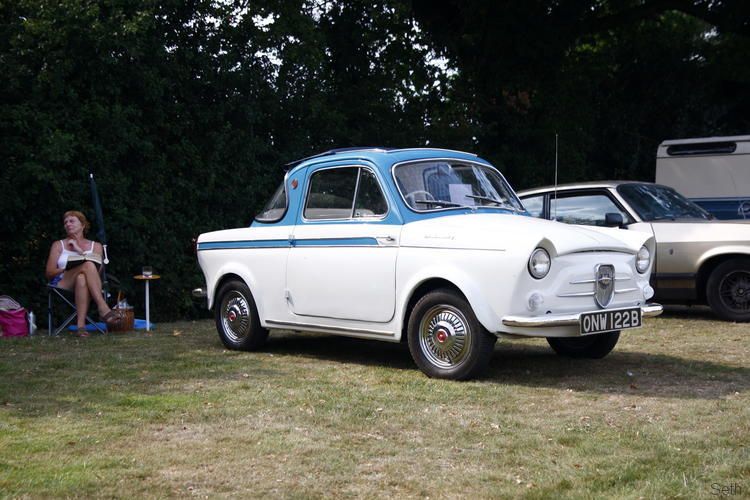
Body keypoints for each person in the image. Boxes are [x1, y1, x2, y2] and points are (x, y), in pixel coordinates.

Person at [45, 210, 121, 336]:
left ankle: (81, 326)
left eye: (72, 221)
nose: (68, 224)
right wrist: (69, 268)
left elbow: (98, 271)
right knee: (87, 265)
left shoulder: (96, 246)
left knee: (82, 277)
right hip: (64, 282)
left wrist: (78, 250)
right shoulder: (58, 245)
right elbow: (49, 272)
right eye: (65, 222)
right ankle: (103, 307)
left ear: (83, 225)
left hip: (90, 284)